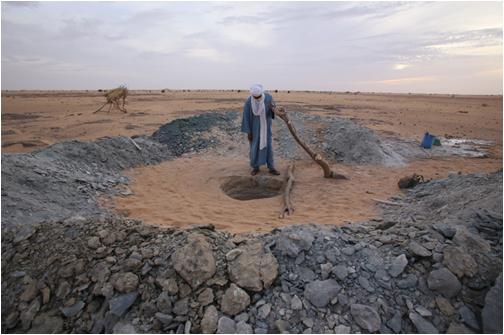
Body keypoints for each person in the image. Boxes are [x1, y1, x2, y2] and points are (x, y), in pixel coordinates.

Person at [241, 84, 280, 176]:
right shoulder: (248, 101)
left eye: (259, 96)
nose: (257, 98)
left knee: (268, 146)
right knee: (254, 147)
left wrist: (272, 108)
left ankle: (271, 167)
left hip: (266, 128)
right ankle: (255, 167)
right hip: (254, 129)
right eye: (255, 96)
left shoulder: (268, 97)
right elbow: (246, 117)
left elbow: (275, 111)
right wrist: (249, 133)